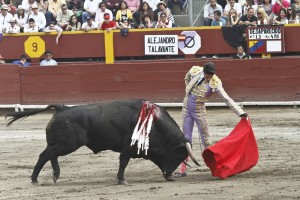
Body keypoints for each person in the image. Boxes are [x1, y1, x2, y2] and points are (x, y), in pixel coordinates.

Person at [175, 62, 248, 178]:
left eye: (211, 76)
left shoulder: (215, 82)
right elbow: (187, 76)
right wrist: (187, 88)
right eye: (207, 76)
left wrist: (240, 112)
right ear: (203, 72)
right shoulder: (195, 71)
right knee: (186, 139)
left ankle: (216, 168)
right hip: (186, 109)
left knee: (206, 140)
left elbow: (226, 98)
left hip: (199, 110)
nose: (209, 78)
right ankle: (182, 170)